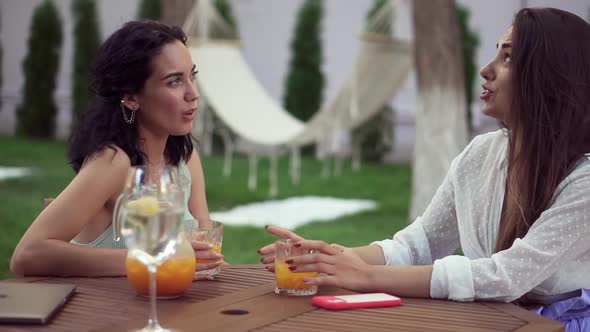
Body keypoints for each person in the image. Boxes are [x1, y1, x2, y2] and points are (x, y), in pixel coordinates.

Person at [259, 8, 590, 330]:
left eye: (509, 59)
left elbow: (507, 277)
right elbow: (418, 245)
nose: (486, 70)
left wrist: (365, 276)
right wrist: (326, 257)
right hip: (492, 319)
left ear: (549, 75)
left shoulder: (584, 180)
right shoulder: (481, 154)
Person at [10, 21, 222, 277]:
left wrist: (279, 263)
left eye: (192, 76)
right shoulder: (112, 162)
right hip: (108, 313)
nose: (193, 93)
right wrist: (151, 259)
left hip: (176, 310)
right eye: (174, 81)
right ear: (131, 97)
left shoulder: (185, 159)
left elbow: (208, 262)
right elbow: (28, 255)